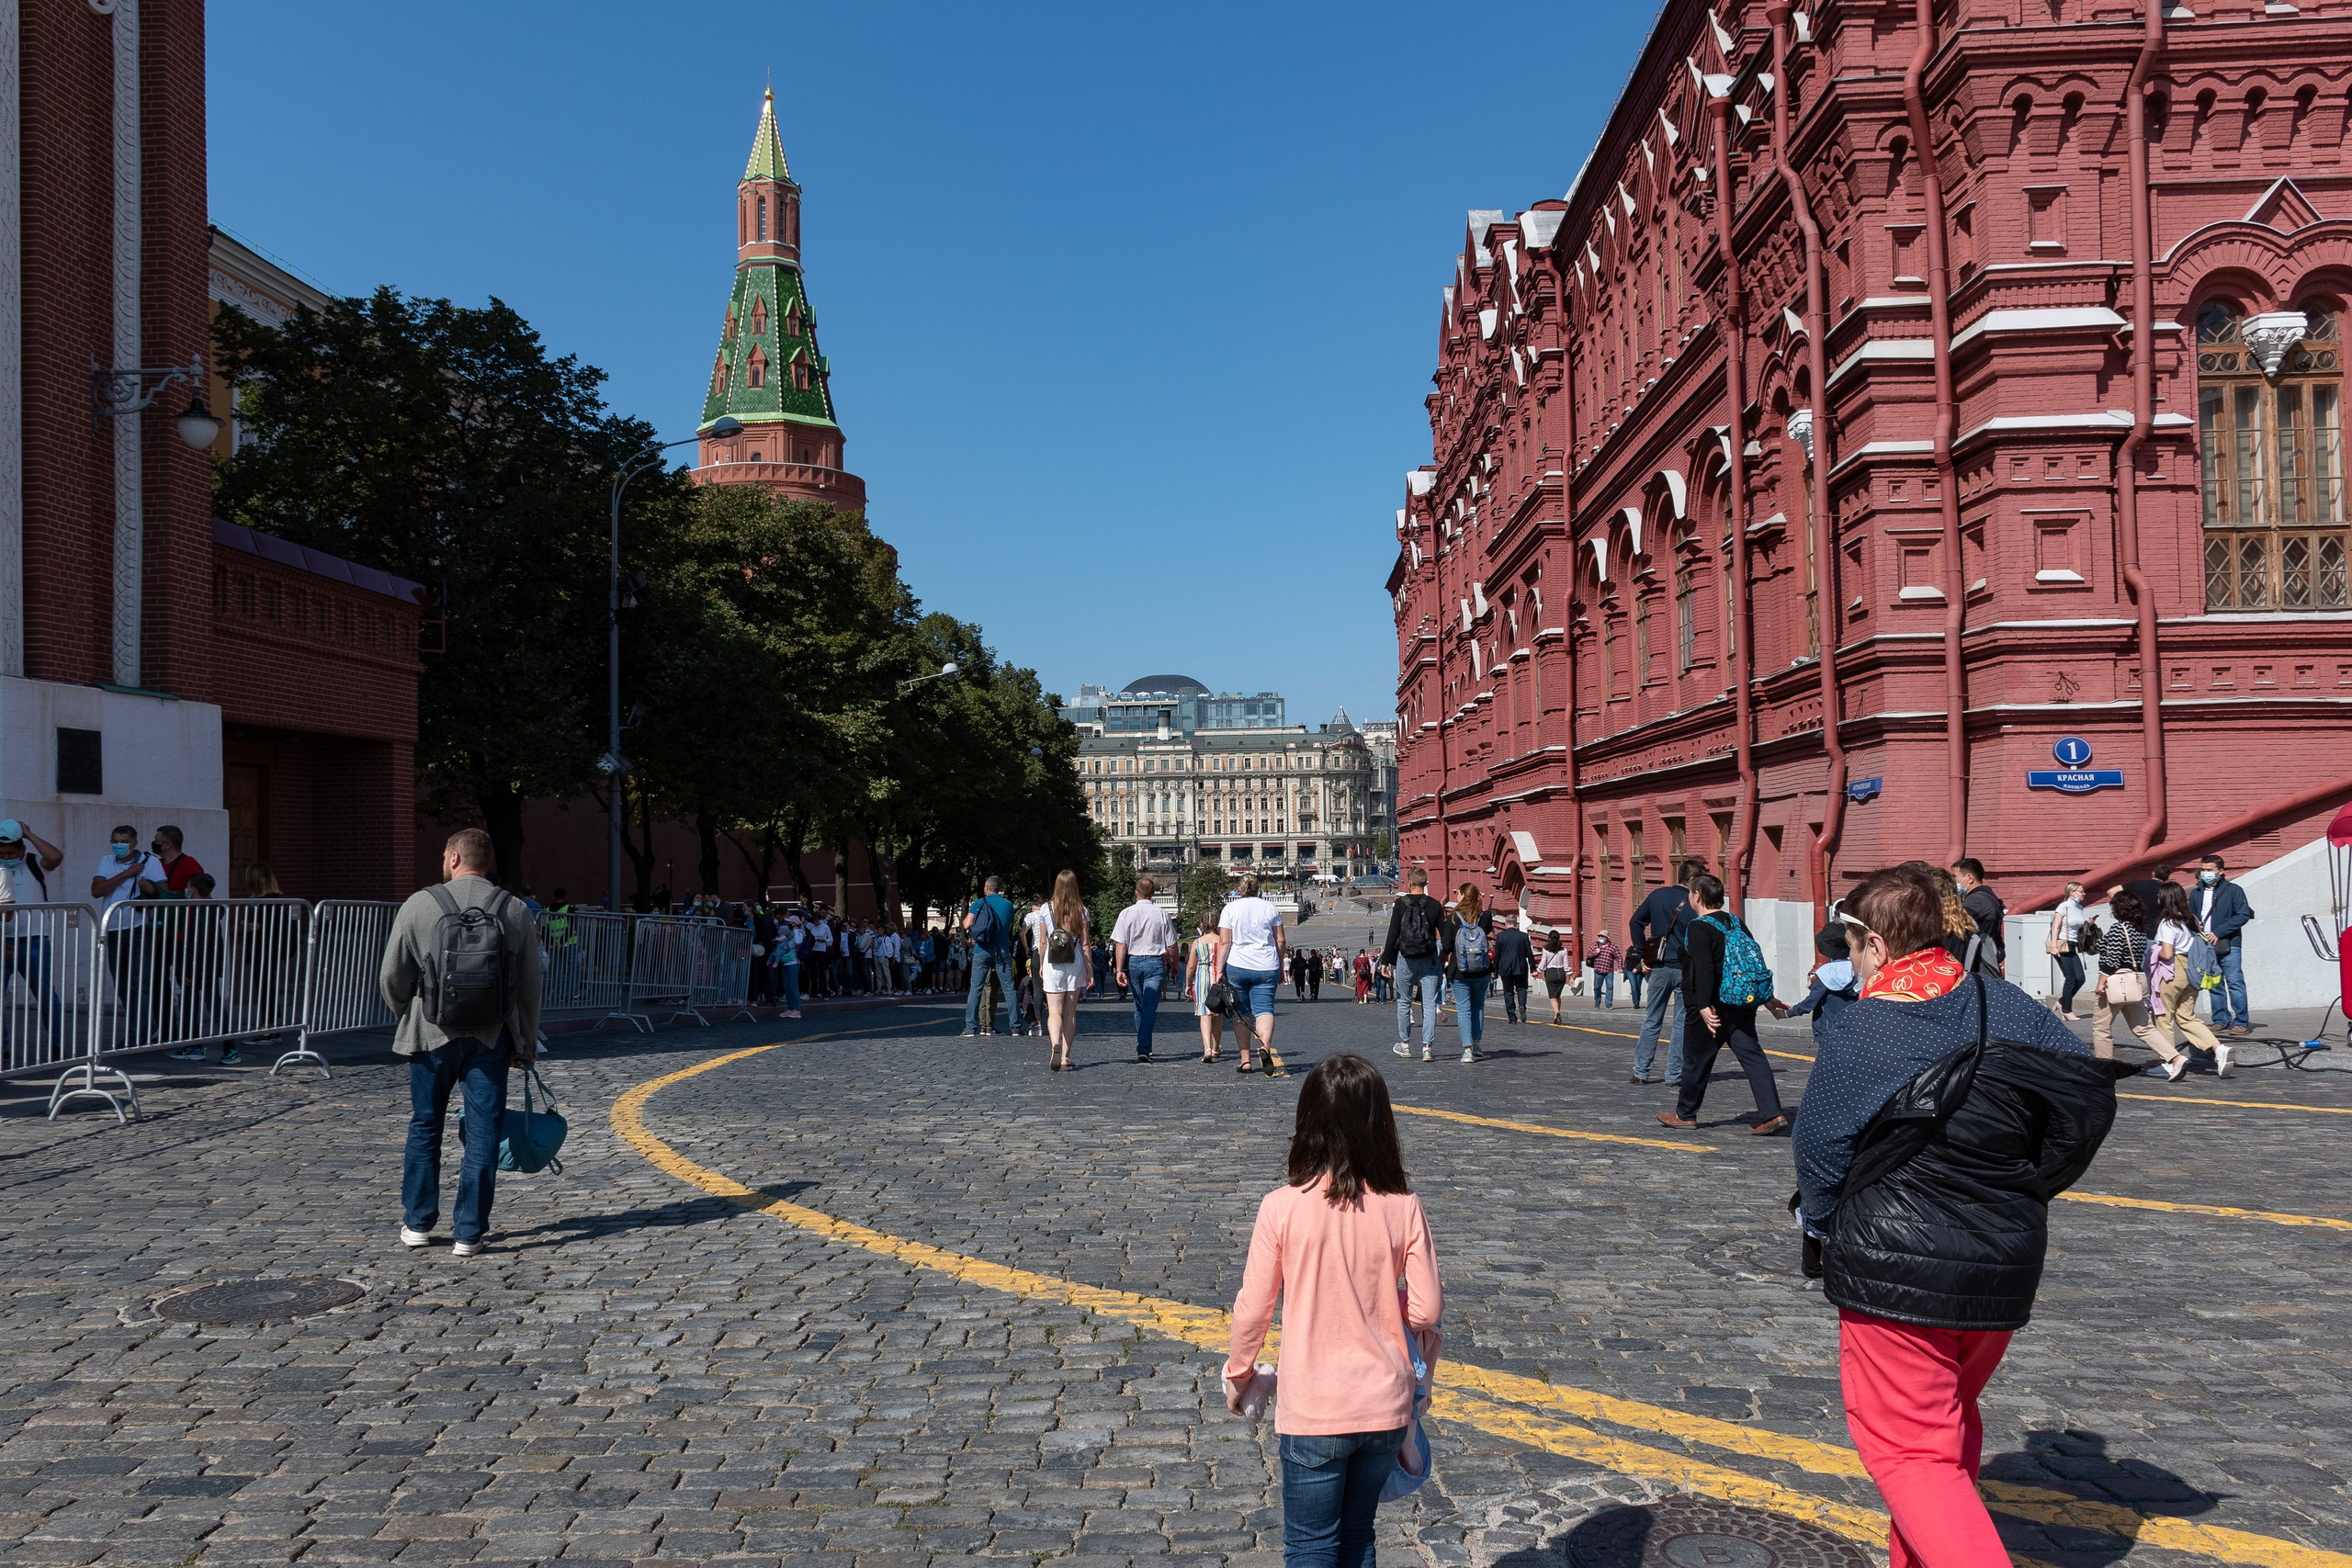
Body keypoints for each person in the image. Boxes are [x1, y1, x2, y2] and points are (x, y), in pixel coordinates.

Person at [1795, 863, 2119, 1568]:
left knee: (1911, 1452)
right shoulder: (2004, 1003)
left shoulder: (1862, 1026)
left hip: (1896, 1267)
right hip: (2003, 1257)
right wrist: (2030, 1182)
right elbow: (2082, 1092)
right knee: (1946, 1423)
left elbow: (1819, 1149)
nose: (1852, 958)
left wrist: (1819, 1227)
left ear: (1878, 945)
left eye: (1852, 944)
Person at [1225, 1054, 1442, 1568]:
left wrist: (1240, 1376)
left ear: (1308, 1122)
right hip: (1385, 1405)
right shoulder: (1402, 1204)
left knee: (1310, 1545)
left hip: (1314, 1407)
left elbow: (1253, 1310)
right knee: (1358, 1538)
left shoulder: (1281, 1206)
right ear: (1379, 1123)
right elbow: (1427, 1308)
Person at [381, 828, 543, 1258]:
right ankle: (468, 1233)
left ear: (454, 857)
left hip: (430, 1033)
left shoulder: (419, 904)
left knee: (425, 1125)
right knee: (484, 1133)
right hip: (491, 1036)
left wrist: (408, 1017)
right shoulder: (513, 909)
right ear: (486, 862)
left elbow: (392, 976)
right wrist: (525, 1043)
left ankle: (418, 1223)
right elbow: (530, 986)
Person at [1658, 874, 1790, 1134]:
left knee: (1696, 1059)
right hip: (1741, 1002)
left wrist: (1703, 1005)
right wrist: (1764, 996)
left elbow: (1705, 970)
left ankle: (1685, 1114)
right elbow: (1753, 963)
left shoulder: (1698, 927)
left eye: (1690, 893)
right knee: (1753, 1056)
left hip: (1712, 1006)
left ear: (1697, 896)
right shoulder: (1736, 922)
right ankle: (1772, 1114)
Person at [2091, 889, 2186, 1077]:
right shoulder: (2139, 930)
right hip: (2134, 982)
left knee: (2101, 1026)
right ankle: (2175, 1057)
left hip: (2116, 981)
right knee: (2143, 1027)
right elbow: (2099, 947)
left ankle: (2104, 1068)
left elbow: (2112, 959)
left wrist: (2101, 982)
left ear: (2119, 909)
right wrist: (2092, 931)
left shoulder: (2118, 929)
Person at [90, 824, 167, 1048]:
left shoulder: (150, 862)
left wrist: (148, 887)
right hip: (113, 928)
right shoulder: (107, 862)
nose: (119, 845)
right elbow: (97, 890)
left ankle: (136, 1035)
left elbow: (163, 891)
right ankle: (145, 1026)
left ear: (134, 843)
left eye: (123, 842)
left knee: (138, 982)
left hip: (139, 927)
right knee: (122, 984)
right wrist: (126, 874)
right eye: (115, 841)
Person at [1628, 862, 1700, 1089]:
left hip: (1658, 966)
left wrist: (1643, 953)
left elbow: (1635, 921)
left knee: (1652, 1020)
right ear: (1693, 880)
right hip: (1686, 968)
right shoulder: (1695, 901)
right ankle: (1674, 1074)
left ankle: (1641, 1072)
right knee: (1681, 1023)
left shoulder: (1658, 895)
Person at [0, 820, 68, 1055]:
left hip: (34, 940)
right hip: (2, 941)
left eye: (10, 853)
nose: (6, 857)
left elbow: (55, 857)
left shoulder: (33, 863)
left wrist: (28, 833)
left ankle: (57, 1044)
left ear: (22, 850)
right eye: (2, 854)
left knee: (46, 994)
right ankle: (2, 1047)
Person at [2154, 883, 2232, 1077]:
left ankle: (2169, 1061)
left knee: (2163, 1016)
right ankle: (2218, 1048)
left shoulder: (2167, 923)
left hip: (2173, 969)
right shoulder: (2191, 920)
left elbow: (2167, 953)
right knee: (2186, 1016)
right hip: (2193, 970)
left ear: (2165, 899)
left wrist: (2153, 953)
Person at [1216, 873, 1287, 1075]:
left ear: (1239, 890)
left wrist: (1219, 970)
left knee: (1241, 1013)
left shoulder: (1230, 909)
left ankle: (1245, 1060)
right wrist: (1279, 965)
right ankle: (1264, 1046)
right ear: (1259, 890)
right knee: (1265, 1010)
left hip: (1237, 965)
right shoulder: (1270, 908)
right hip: (1266, 965)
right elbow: (1280, 940)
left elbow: (1224, 942)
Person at [1026, 870, 1093, 1072]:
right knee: (1070, 1012)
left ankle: (1054, 1044)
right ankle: (1065, 1056)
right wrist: (1089, 969)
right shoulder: (1082, 910)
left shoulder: (1045, 909)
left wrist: (1041, 964)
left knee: (1054, 1010)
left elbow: (1042, 941)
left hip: (1052, 962)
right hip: (1074, 962)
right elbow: (1085, 944)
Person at [1381, 868, 1448, 1063]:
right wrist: (1444, 954)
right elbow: (1444, 935)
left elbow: (1393, 935)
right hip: (1429, 958)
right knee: (1429, 1004)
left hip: (1406, 958)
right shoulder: (1435, 905)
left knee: (1404, 1001)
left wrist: (1385, 961)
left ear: (1410, 883)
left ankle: (1405, 1045)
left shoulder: (1400, 904)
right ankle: (1427, 1048)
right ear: (1426, 883)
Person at [1112, 877, 1179, 1065]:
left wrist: (1119, 969)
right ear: (1153, 893)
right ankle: (1144, 1047)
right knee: (1150, 1007)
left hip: (1134, 961)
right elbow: (1172, 944)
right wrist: (1175, 964)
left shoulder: (1126, 913)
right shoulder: (1162, 914)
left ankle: (1144, 1045)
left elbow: (1121, 944)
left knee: (1140, 1006)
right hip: (1155, 963)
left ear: (1136, 892)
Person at [2193, 854, 2256, 1036]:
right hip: (2205, 945)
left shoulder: (2233, 890)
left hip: (2229, 943)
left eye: (2209, 870)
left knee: (2235, 982)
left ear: (2220, 872)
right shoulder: (2197, 893)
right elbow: (2192, 915)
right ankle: (2220, 1019)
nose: (2205, 873)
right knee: (2214, 983)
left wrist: (2219, 931)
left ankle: (2241, 1021)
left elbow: (2242, 915)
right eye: (2203, 869)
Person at [1442, 883, 1494, 1066]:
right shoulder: (1485, 916)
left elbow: (1446, 946)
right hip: (1482, 969)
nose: (1457, 895)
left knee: (1463, 1009)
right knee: (1478, 1006)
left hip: (1459, 971)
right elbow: (1486, 933)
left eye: (1458, 893)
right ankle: (1477, 1045)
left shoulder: (1453, 917)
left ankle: (1467, 1050)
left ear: (1464, 895)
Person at [960, 875, 1018, 1038]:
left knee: (976, 989)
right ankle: (1015, 1027)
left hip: (982, 949)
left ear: (986, 887)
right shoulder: (1008, 905)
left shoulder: (979, 903)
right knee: (1009, 988)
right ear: (999, 889)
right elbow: (1009, 927)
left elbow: (967, 924)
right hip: (1002, 949)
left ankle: (971, 1028)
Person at [1784, 919, 1860, 1042]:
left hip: (1828, 1029)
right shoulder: (1857, 969)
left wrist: (1790, 1012)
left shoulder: (1825, 973)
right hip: (1854, 1025)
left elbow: (1811, 1001)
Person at [1186, 911, 1228, 1063]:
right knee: (1217, 1015)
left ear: (1202, 924)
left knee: (1204, 1014)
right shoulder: (1222, 940)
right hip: (1218, 979)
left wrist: (1188, 983)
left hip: (1202, 979)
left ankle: (1207, 1049)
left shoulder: (1198, 942)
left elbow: (1191, 966)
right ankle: (1216, 1048)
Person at [1951, 858, 2006, 975]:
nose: (1952, 881)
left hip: (1978, 963)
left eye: (1955, 876)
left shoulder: (1976, 901)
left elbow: (1956, 924)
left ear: (1970, 878)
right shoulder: (1987, 896)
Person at [2051, 882, 2091, 1019]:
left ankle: (2062, 1002)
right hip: (2062, 944)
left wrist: (2087, 924)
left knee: (2080, 978)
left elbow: (2076, 927)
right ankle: (2067, 1010)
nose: (2084, 894)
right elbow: (2055, 927)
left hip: (2073, 945)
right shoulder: (2063, 907)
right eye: (2081, 891)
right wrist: (2054, 946)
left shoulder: (2079, 907)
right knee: (2071, 978)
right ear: (2072, 893)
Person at [1491, 919, 1532, 1025]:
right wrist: (1533, 969)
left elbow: (1497, 955)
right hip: (1521, 966)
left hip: (1506, 967)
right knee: (1522, 988)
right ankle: (1522, 1004)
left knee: (1508, 991)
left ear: (1506, 923)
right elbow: (1529, 953)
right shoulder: (1523, 936)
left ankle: (1512, 1017)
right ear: (1516, 923)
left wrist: (1494, 970)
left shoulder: (1501, 936)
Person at [1537, 931, 1575, 1023]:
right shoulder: (1563, 950)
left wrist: (1538, 971)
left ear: (1549, 938)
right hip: (1561, 974)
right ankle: (1556, 1015)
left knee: (1552, 996)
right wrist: (1571, 976)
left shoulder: (1546, 949)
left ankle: (1557, 1013)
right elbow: (1566, 965)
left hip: (1550, 973)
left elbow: (1543, 963)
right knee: (1558, 995)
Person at [1586, 931, 1620, 1010]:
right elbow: (1588, 955)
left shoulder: (1613, 946)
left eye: (1602, 936)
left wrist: (1620, 967)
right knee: (1597, 987)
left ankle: (1609, 1004)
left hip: (1609, 971)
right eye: (1599, 936)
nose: (1600, 938)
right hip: (1598, 970)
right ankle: (1597, 1003)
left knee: (1609, 987)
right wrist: (1595, 952)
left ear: (1607, 938)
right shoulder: (1595, 945)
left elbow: (1619, 957)